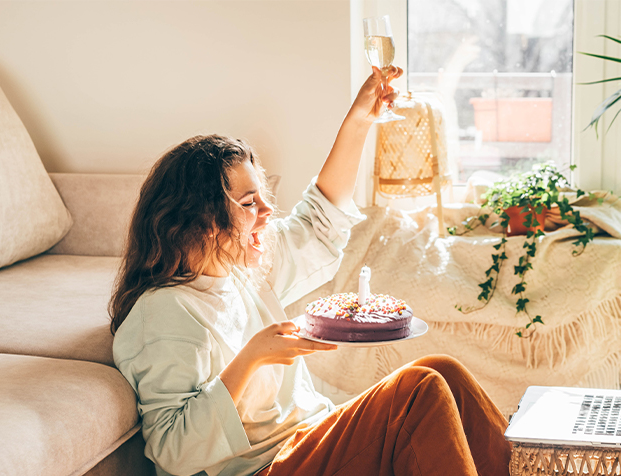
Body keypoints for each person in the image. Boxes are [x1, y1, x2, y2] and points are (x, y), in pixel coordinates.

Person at [108, 66, 512, 476]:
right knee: (419, 393)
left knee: (444, 372)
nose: (267, 212)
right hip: (261, 468)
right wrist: (252, 358)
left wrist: (359, 120)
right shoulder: (164, 313)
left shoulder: (243, 268)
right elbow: (173, 450)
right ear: (203, 222)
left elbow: (320, 219)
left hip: (308, 439)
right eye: (249, 204)